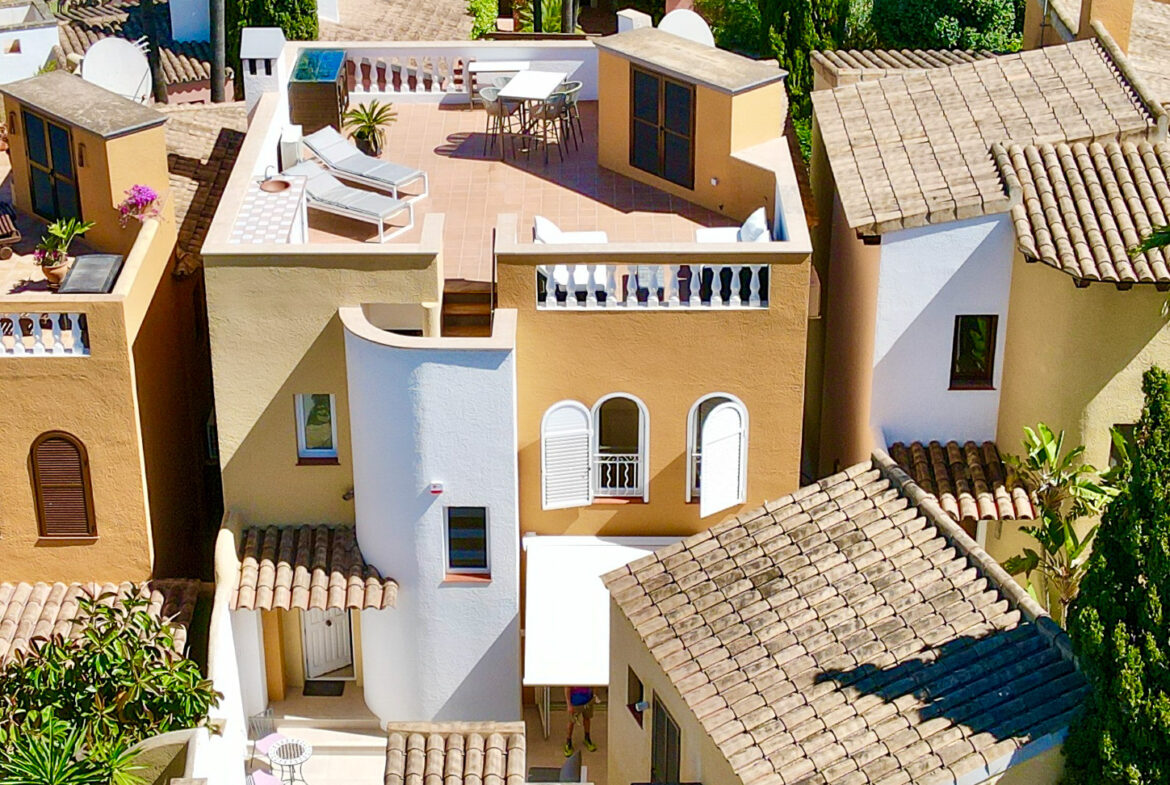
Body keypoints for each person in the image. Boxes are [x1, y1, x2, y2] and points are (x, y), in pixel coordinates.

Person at [564, 686, 597, 756]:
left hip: (587, 701)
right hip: (575, 703)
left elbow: (594, 684)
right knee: (571, 722)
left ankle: (587, 738)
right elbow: (567, 688)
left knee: (587, 719)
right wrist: (569, 704)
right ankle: (568, 742)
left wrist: (594, 695)